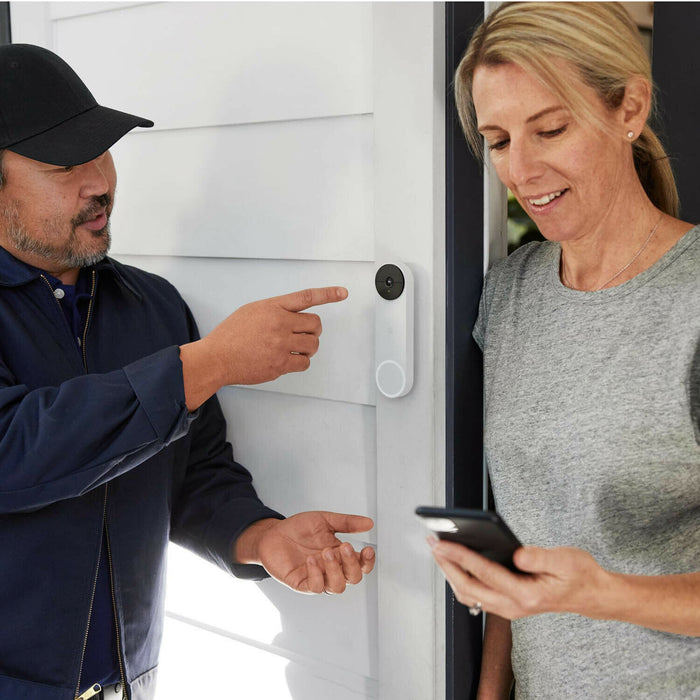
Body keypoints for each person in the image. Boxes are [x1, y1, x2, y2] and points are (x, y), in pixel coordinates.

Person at [0, 44, 375, 700]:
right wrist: (209, 364)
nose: (98, 182)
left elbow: (193, 475)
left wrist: (260, 536)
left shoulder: (152, 306)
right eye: (64, 164)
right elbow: (14, 453)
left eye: (101, 150)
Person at [429, 3, 700, 699]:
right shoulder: (513, 294)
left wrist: (602, 591)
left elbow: (568, 587)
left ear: (629, 109)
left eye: (550, 129)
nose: (520, 170)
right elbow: (525, 540)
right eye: (497, 139)